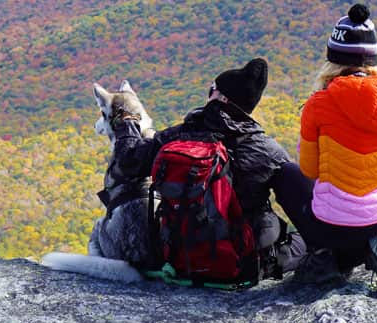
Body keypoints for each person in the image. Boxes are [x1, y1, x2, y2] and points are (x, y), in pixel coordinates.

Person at [109, 57, 306, 280]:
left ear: (218, 97)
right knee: (303, 239)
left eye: (211, 89)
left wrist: (126, 122)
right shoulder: (267, 150)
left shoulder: (178, 136)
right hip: (244, 265)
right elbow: (301, 202)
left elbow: (127, 161)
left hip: (178, 258)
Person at [272, 3, 377, 294]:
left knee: (286, 174)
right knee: (364, 206)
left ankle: (330, 258)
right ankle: (370, 248)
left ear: (333, 60)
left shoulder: (319, 104)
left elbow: (310, 170)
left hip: (335, 228)